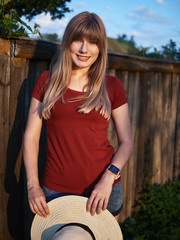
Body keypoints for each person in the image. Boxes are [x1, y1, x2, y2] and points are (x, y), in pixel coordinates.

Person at [23, 11, 133, 222]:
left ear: (100, 48)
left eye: (92, 43)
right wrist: (32, 186)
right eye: (78, 40)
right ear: (68, 43)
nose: (84, 49)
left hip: (103, 191)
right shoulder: (47, 81)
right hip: (56, 191)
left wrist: (108, 177)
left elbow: (127, 142)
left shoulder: (112, 86)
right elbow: (31, 137)